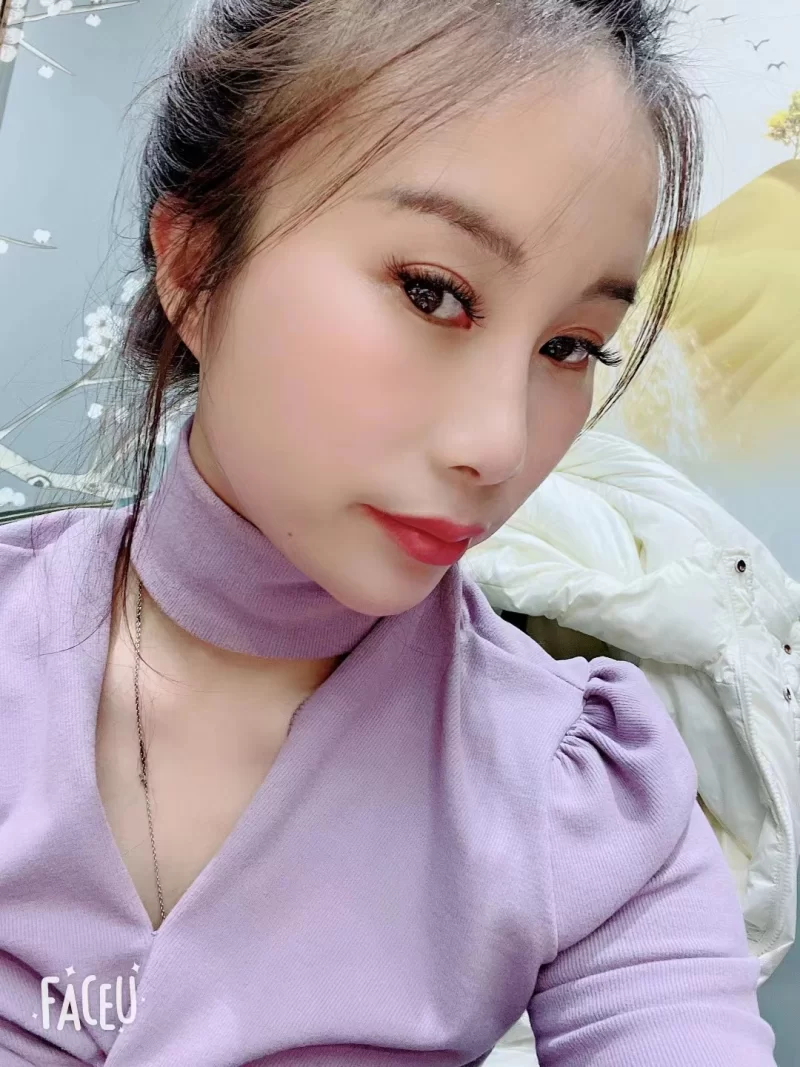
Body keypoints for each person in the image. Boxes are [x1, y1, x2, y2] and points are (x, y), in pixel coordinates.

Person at [0, 0, 779, 1064]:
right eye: (433, 292)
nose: (499, 444)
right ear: (194, 266)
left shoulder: (584, 796)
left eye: (568, 346)